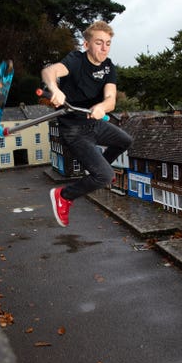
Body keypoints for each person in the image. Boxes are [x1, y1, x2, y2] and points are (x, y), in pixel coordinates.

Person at [41, 20, 133, 227]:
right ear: (86, 44)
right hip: (75, 130)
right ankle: (63, 195)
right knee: (105, 176)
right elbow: (49, 72)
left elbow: (111, 99)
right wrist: (55, 89)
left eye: (108, 43)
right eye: (99, 42)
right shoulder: (76, 60)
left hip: (95, 124)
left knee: (125, 141)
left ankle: (98, 168)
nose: (104, 48)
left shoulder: (109, 67)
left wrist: (102, 107)